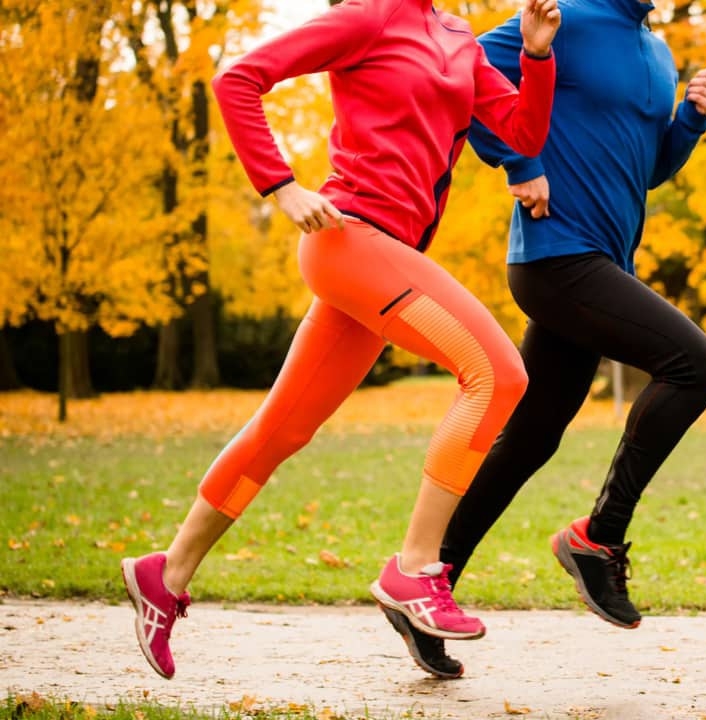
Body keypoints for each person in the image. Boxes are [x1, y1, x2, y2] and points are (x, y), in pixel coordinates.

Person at [119, 0, 561, 680]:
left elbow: (524, 133)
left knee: (280, 430)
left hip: (388, 258)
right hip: (349, 239)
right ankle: (415, 568)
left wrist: (536, 55)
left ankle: (165, 573)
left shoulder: (457, 41)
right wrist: (281, 186)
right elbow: (239, 80)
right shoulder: (369, 16)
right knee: (499, 375)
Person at [382, 0, 706, 679]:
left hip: (602, 259)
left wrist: (690, 119)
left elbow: (646, 169)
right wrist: (516, 162)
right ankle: (597, 538)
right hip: (556, 256)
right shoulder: (563, 16)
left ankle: (422, 585)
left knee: (531, 438)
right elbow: (465, 73)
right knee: (696, 365)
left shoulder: (655, 51)